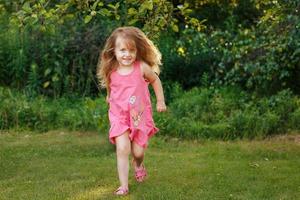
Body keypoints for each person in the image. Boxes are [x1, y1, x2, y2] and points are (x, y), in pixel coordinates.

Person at [97, 26, 167, 196]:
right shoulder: (111, 69)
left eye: (131, 50)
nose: (127, 54)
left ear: (137, 51)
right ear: (114, 51)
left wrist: (160, 101)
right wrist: (109, 96)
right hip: (119, 116)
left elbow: (155, 80)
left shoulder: (141, 67)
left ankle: (138, 164)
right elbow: (110, 85)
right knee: (122, 149)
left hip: (139, 116)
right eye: (122, 50)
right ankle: (124, 186)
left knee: (138, 151)